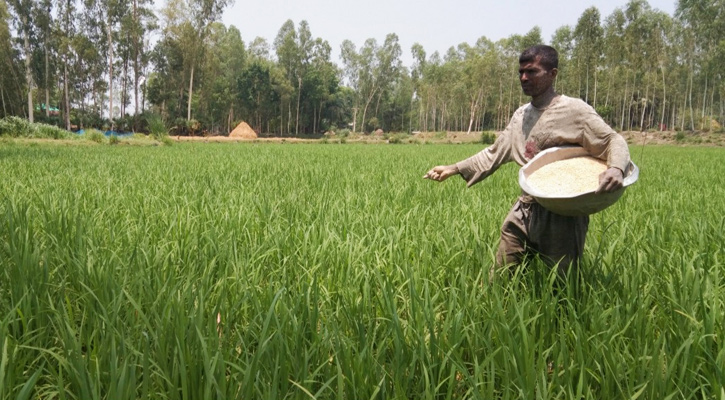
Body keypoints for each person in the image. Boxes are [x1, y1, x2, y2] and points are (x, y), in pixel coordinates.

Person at [423, 45, 630, 278]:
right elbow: (494, 153)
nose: (523, 78)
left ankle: (562, 314)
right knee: (501, 274)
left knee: (561, 283)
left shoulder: (574, 110)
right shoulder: (521, 115)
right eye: (520, 72)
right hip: (525, 207)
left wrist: (616, 169)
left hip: (562, 212)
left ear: (552, 74)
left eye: (531, 72)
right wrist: (453, 168)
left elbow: (613, 140)